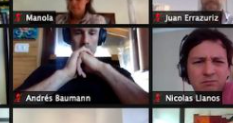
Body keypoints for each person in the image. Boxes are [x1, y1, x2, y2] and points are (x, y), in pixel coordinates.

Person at [16, 28, 148, 104]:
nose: (85, 40)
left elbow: (145, 103)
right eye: (78, 32)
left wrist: (103, 68)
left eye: (92, 33)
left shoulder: (119, 73)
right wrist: (64, 75)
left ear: (100, 37)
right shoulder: (45, 70)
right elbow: (16, 102)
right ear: (68, 37)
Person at [177, 28, 233, 104]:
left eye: (218, 61)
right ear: (185, 69)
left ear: (228, 69)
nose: (208, 71)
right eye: (198, 62)